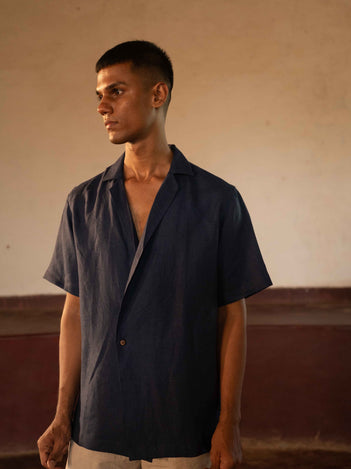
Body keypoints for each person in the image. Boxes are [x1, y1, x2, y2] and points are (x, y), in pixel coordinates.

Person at [37, 40, 272, 469]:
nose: (102, 106)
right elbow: (74, 314)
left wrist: (229, 423)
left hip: (184, 427)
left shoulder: (218, 201)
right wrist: (62, 417)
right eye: (99, 95)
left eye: (116, 91)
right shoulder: (83, 202)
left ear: (158, 94)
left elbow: (232, 317)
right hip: (98, 425)